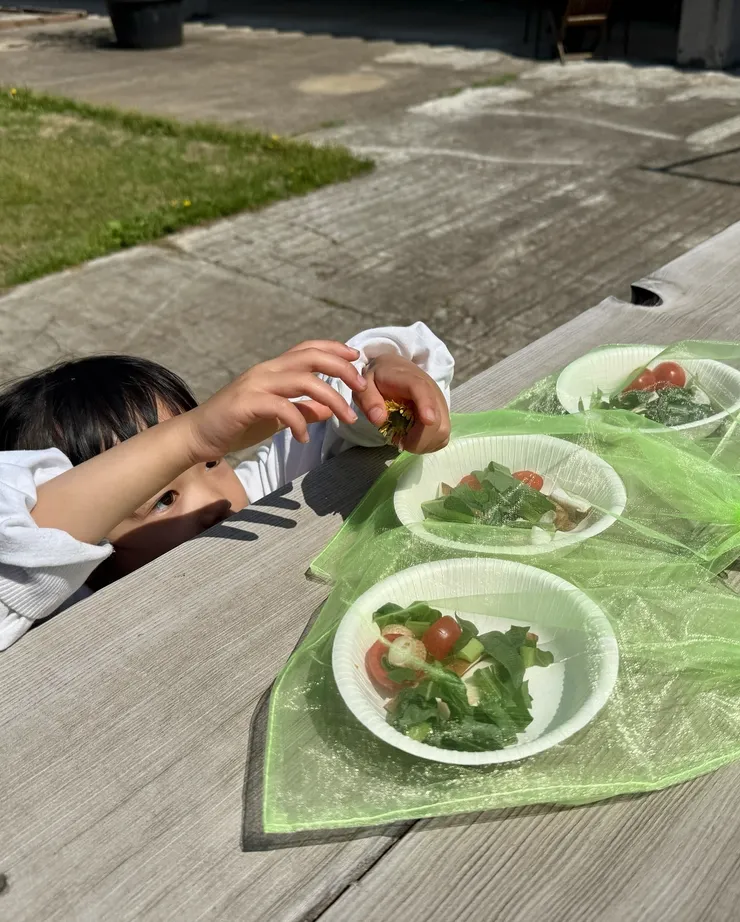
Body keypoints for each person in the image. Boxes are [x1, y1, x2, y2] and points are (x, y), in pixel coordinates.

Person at [0, 322, 453, 649]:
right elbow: (18, 543)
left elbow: (340, 422)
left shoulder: (261, 496)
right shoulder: (67, 615)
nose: (213, 499)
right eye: (163, 499)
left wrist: (378, 384)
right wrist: (189, 437)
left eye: (212, 460)